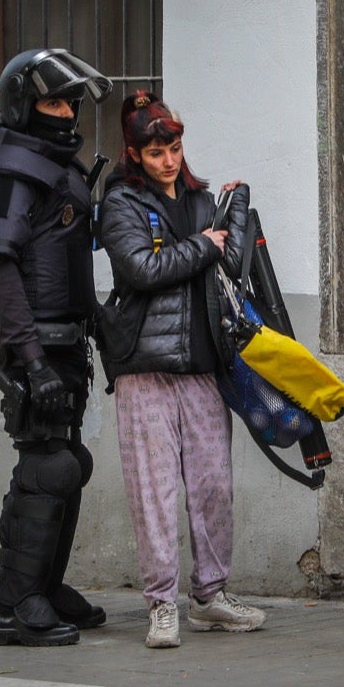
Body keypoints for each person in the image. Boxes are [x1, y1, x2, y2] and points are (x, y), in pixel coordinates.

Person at [96, 91, 266, 650]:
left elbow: (233, 263)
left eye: (173, 148)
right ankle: (162, 604)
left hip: (202, 367)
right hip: (144, 366)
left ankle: (211, 597)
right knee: (155, 490)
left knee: (214, 484)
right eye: (155, 152)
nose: (168, 160)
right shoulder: (120, 201)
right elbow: (141, 268)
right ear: (134, 154)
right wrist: (203, 245)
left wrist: (234, 211)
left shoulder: (201, 201)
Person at [0, 48, 114, 647]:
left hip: (68, 345)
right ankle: (14, 605)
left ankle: (47, 588)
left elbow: (75, 252)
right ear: (23, 106)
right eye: (54, 101)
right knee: (46, 466)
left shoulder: (60, 169)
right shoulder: (9, 170)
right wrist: (29, 358)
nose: (66, 112)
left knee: (68, 466)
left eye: (70, 101)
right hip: (37, 348)